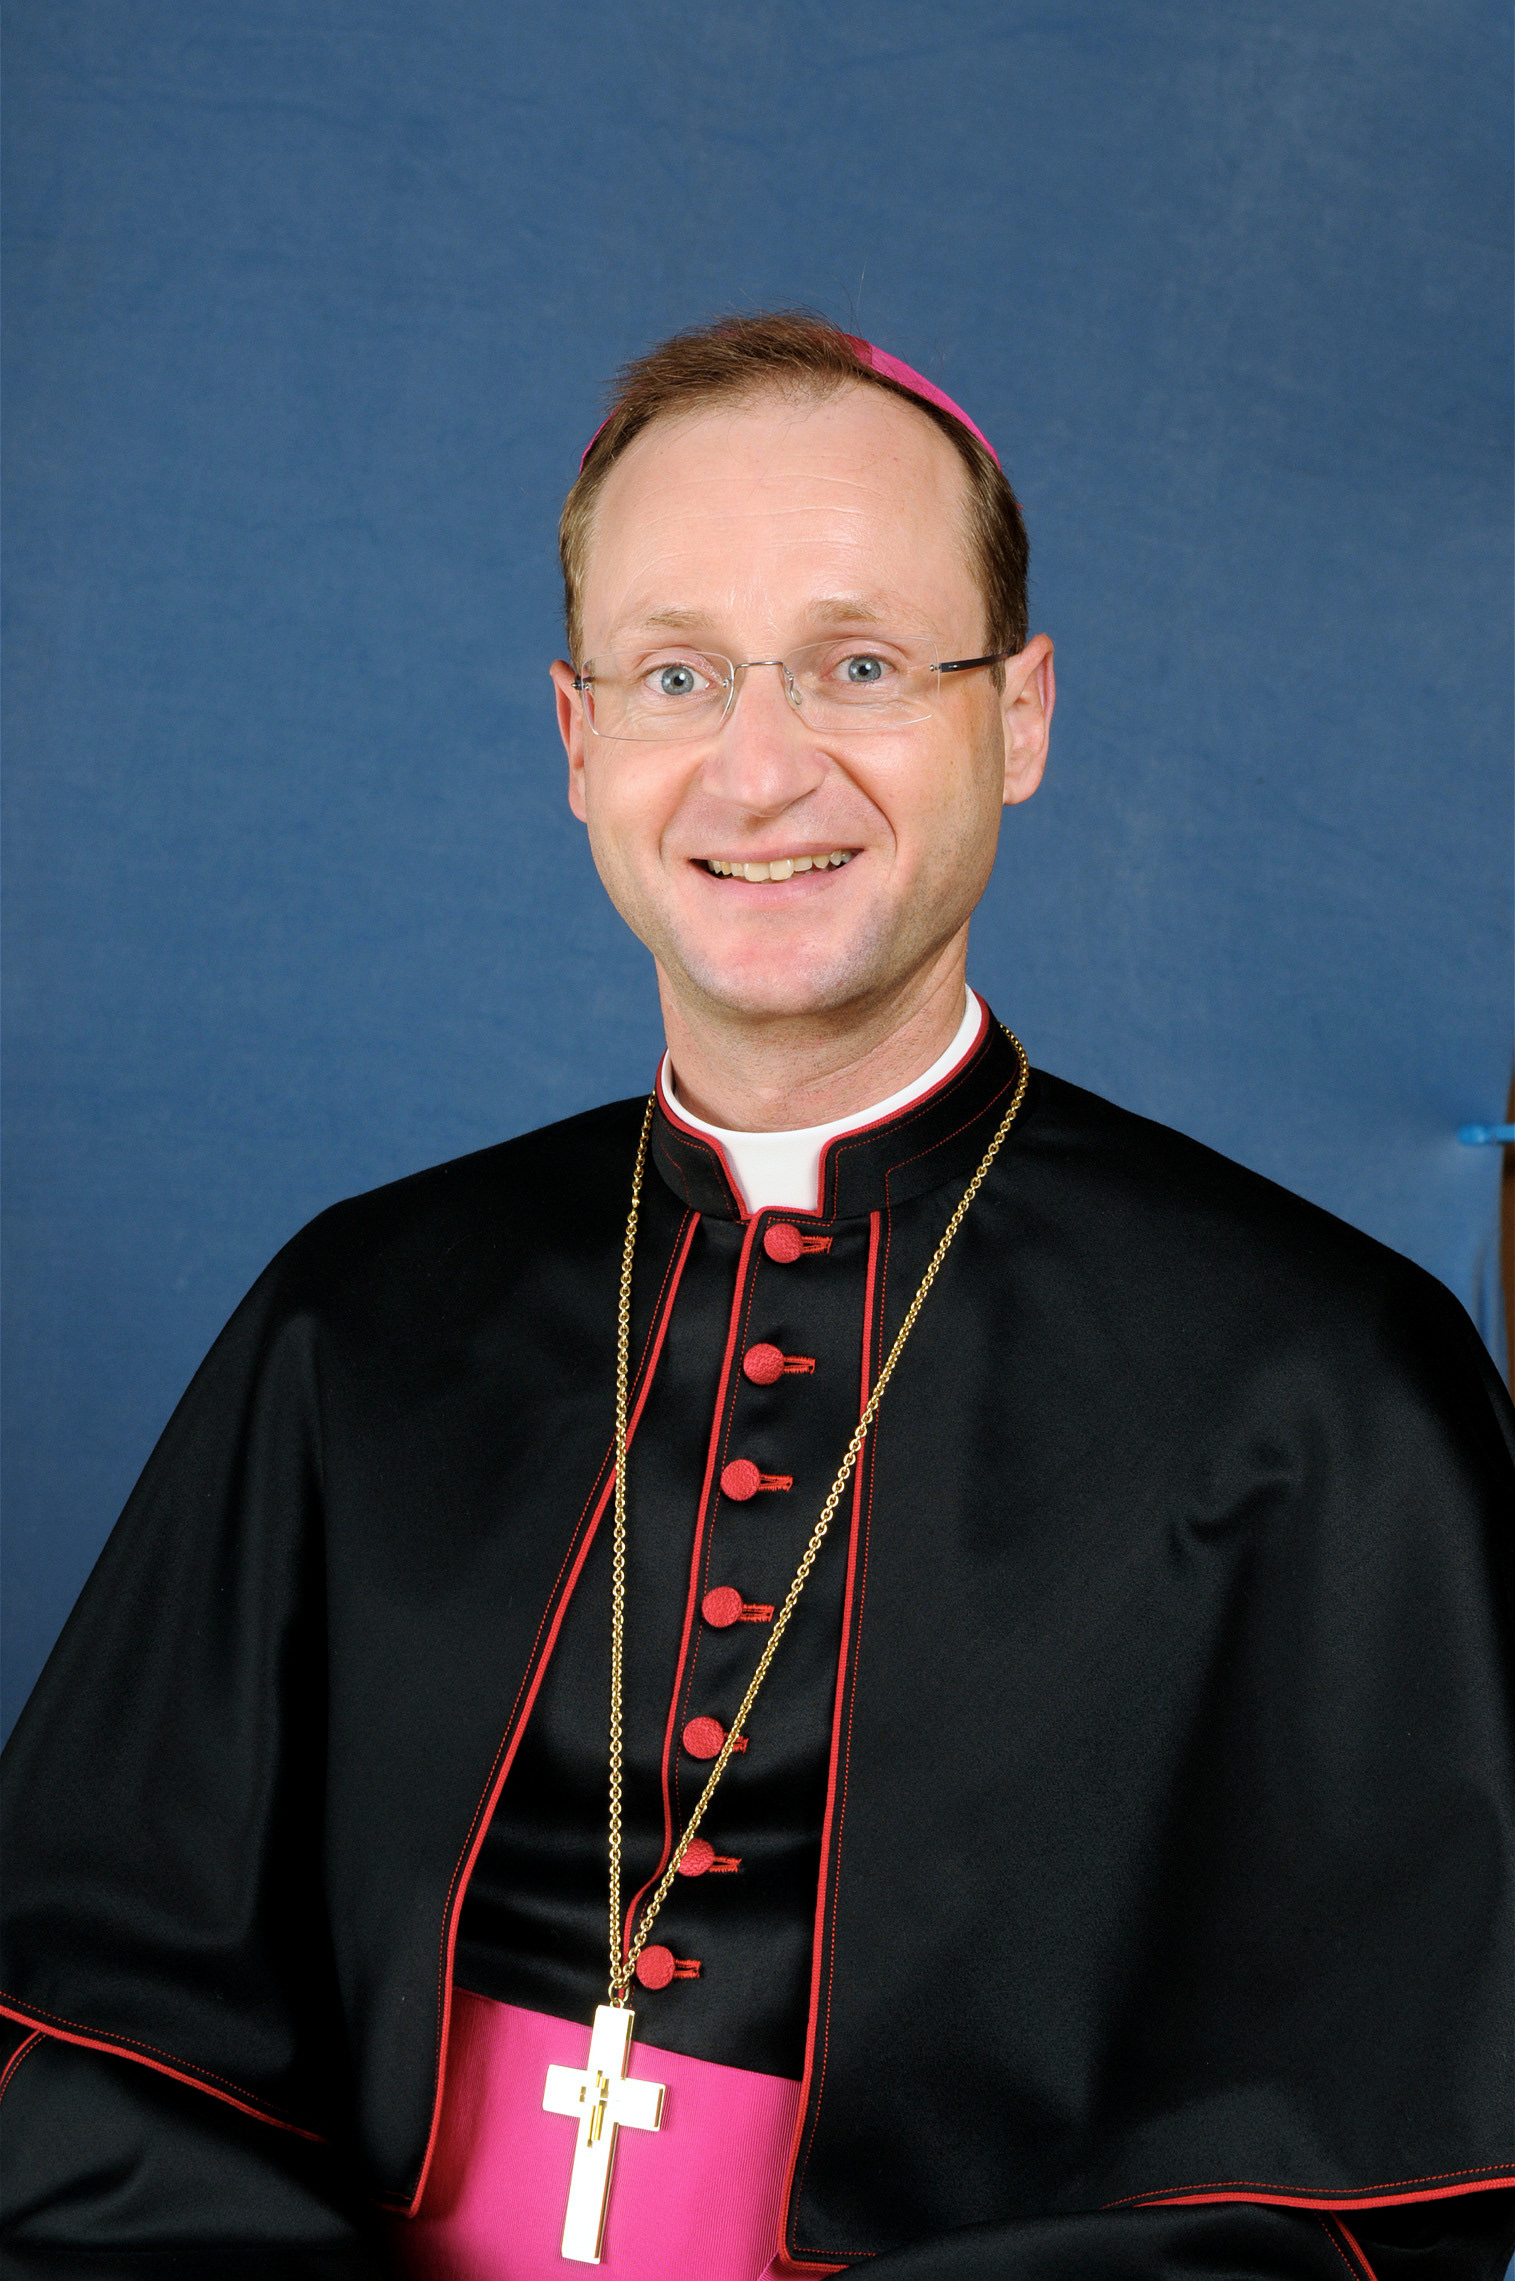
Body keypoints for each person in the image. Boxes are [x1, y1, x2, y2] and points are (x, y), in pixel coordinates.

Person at [2, 312, 1510, 2281]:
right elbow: (74, 2045)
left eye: (858, 664)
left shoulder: (1323, 1382)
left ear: (1021, 714)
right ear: (579, 741)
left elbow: (1357, 2189)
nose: (763, 763)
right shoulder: (357, 1320)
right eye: (679, 673)